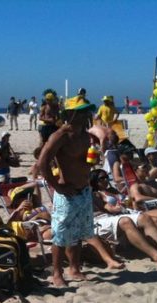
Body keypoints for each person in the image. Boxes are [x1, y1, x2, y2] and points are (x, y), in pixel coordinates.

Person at [34, 94, 97, 287]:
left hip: (83, 190)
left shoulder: (85, 134)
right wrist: (58, 186)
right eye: (81, 112)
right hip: (66, 192)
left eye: (86, 111)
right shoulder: (60, 135)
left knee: (78, 232)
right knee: (60, 235)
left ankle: (75, 268)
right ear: (70, 114)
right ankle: (57, 272)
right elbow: (42, 163)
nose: (86, 115)